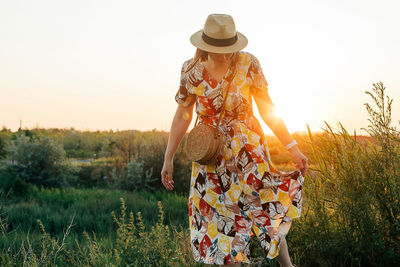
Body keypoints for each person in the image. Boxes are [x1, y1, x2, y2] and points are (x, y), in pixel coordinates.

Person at [161, 13, 308, 267]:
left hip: (248, 155)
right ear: (205, 47)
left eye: (231, 48)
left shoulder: (249, 64)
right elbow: (182, 115)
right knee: (219, 222)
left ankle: (287, 265)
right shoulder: (190, 70)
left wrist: (292, 147)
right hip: (209, 159)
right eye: (221, 50)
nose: (228, 54)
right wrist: (169, 156)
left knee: (261, 206)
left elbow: (267, 108)